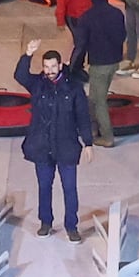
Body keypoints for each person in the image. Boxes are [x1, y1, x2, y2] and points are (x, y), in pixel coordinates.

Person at [21, 36, 93, 237]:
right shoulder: (37, 84)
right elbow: (20, 75)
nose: (50, 70)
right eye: (46, 67)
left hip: (66, 147)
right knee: (44, 187)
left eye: (53, 66)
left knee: (69, 188)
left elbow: (83, 117)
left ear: (60, 66)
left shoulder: (73, 88)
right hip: (42, 146)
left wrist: (88, 142)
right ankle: (46, 222)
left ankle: (72, 226)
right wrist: (28, 54)